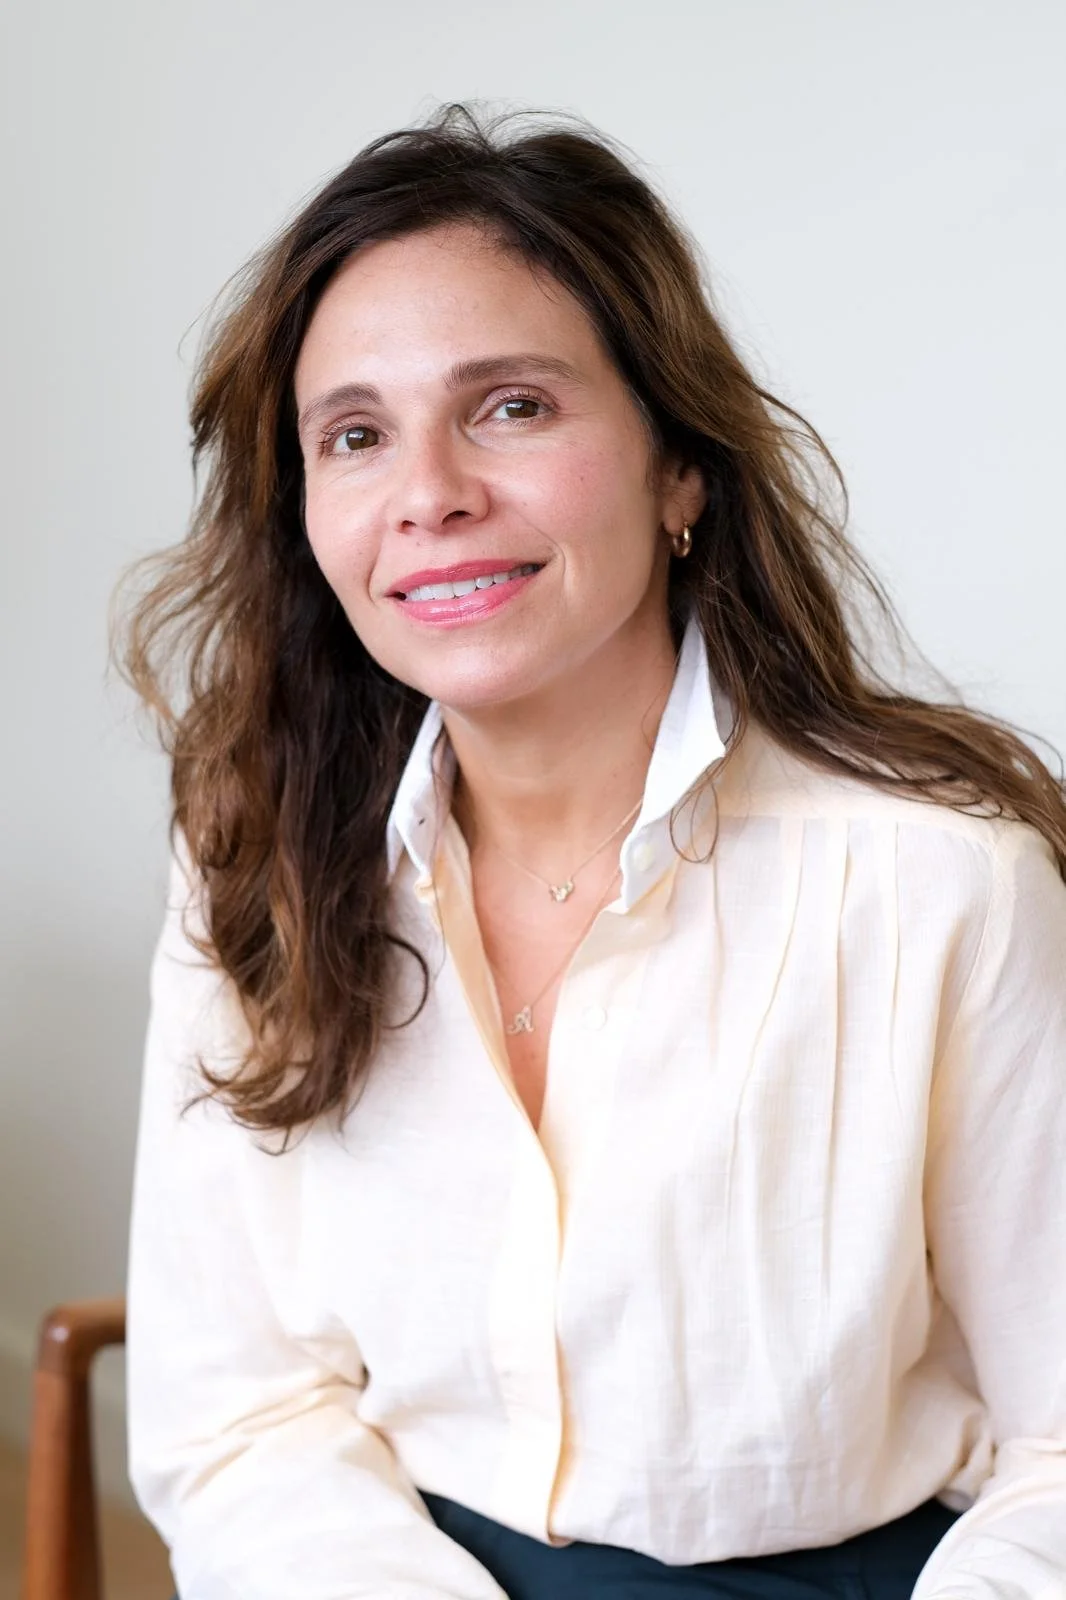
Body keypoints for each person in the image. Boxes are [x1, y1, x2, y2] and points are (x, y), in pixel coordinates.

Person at [118, 103, 1066, 1600]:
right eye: (354, 435)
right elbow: (235, 1411)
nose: (428, 490)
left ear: (678, 471)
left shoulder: (942, 874)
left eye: (510, 406)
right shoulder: (255, 856)